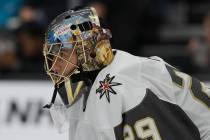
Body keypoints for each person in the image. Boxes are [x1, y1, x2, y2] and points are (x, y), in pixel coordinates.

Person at [43, 7, 210, 140]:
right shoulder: (96, 84)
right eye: (52, 57)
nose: (55, 66)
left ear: (87, 50)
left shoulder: (125, 87)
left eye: (62, 54)